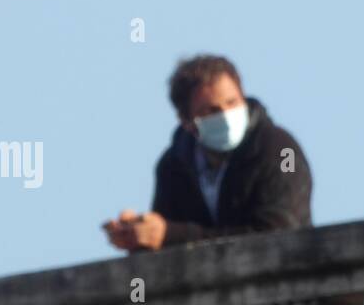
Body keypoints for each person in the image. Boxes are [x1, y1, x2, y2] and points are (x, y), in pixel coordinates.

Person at [103, 54, 313, 252]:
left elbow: (279, 237)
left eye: (232, 103)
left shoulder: (281, 150)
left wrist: (170, 234)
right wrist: (139, 237)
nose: (225, 115)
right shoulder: (172, 166)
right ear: (187, 122)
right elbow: (166, 252)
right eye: (211, 111)